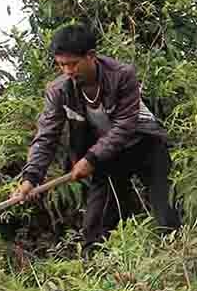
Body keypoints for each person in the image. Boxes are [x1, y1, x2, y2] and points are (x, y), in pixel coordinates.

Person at [14, 23, 181, 251]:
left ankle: (177, 255)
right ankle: (96, 267)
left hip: (145, 144)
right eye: (61, 65)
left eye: (73, 64)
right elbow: (46, 135)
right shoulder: (59, 90)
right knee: (96, 224)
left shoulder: (122, 75)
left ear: (91, 56)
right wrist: (31, 177)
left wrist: (90, 159)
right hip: (107, 155)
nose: (68, 71)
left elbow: (125, 125)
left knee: (165, 209)